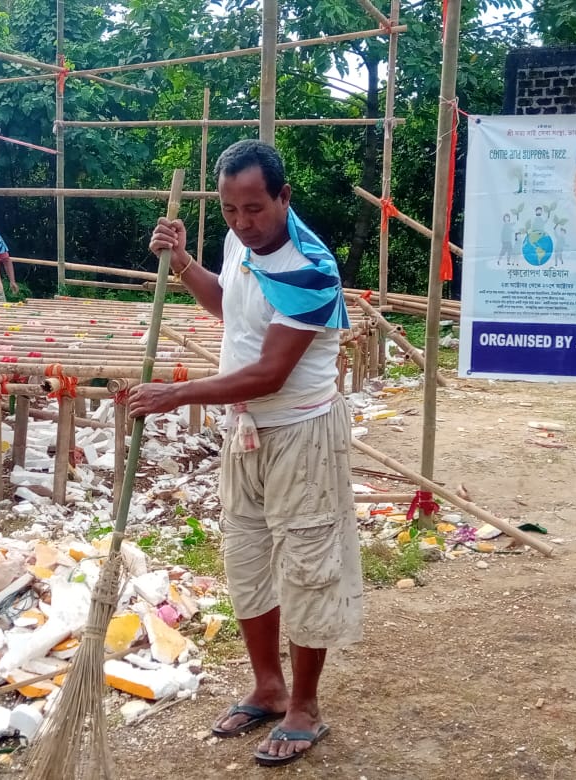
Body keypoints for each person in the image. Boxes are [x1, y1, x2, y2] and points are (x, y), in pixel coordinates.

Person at [128, 139, 363, 768]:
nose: (242, 222)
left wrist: (177, 393)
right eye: (230, 210)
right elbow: (229, 308)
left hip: (301, 434)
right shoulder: (241, 244)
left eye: (254, 208)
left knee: (308, 565)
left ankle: (304, 708)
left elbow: (270, 374)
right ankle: (267, 687)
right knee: (248, 558)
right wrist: (183, 263)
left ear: (283, 197)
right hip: (246, 431)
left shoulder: (310, 267)